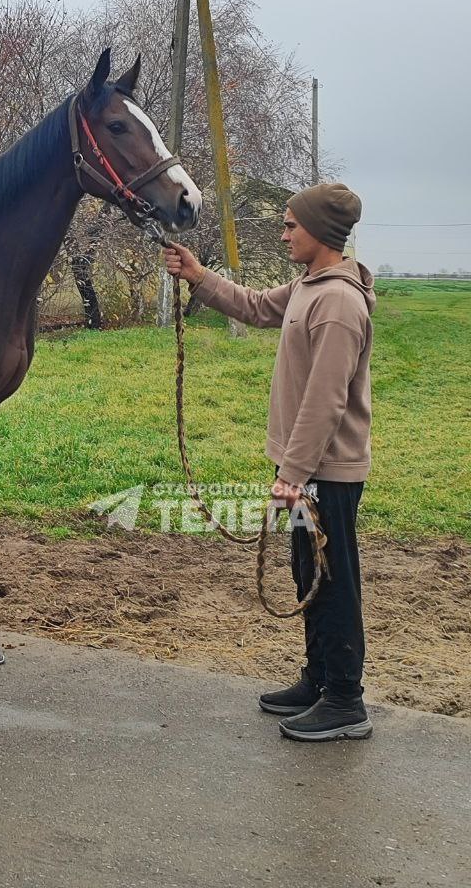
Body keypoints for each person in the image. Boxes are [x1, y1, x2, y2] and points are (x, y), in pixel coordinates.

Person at [164, 182, 376, 743]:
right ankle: (319, 678)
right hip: (306, 471)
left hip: (324, 474)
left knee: (334, 580)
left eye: (290, 225)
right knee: (309, 573)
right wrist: (198, 275)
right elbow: (257, 306)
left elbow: (327, 399)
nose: (283, 233)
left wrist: (294, 474)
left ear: (321, 233)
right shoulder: (311, 285)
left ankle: (345, 700)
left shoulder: (337, 303)